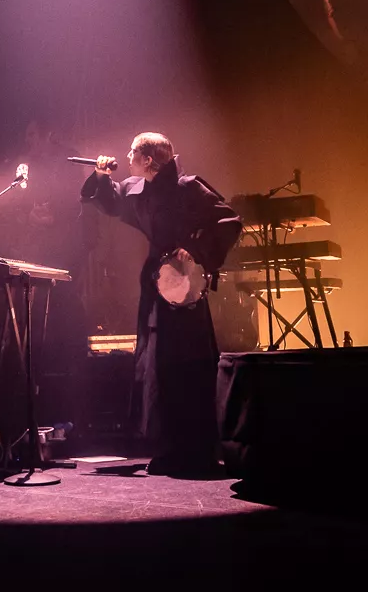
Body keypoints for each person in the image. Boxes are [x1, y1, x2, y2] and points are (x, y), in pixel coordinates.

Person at [80, 133, 242, 477]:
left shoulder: (188, 187)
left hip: (186, 289)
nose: (127, 156)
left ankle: (197, 449)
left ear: (148, 159)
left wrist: (195, 250)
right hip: (158, 284)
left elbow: (229, 221)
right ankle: (170, 448)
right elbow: (111, 201)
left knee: (189, 367)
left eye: (133, 153)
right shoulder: (138, 189)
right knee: (160, 367)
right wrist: (101, 176)